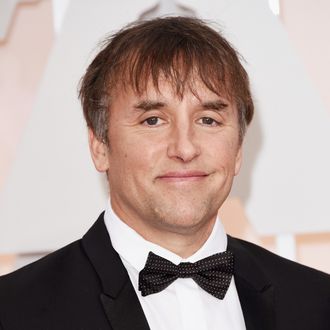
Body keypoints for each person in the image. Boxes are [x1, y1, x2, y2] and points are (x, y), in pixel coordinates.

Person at [0, 16, 329, 330]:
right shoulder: (14, 310)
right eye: (153, 120)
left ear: (239, 147)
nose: (185, 149)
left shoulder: (317, 302)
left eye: (208, 120)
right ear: (100, 145)